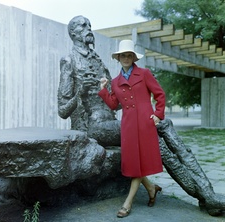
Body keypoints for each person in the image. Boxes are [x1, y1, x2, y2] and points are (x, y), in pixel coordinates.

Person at [98, 39, 166, 218]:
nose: (126, 58)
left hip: (145, 124)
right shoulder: (116, 81)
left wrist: (158, 114)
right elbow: (114, 105)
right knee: (134, 163)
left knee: (138, 164)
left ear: (134, 58)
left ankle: (127, 203)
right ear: (118, 58)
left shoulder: (144, 73)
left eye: (129, 55)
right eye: (123, 55)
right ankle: (151, 188)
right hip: (128, 126)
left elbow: (160, 94)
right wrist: (104, 90)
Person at [58, 15, 121, 146]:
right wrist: (80, 92)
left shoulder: (99, 61)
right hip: (89, 128)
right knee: (142, 127)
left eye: (90, 25)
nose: (89, 29)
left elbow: (114, 104)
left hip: (109, 123)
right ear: (73, 33)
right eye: (83, 25)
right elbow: (62, 111)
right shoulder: (69, 60)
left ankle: (175, 166)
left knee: (163, 124)